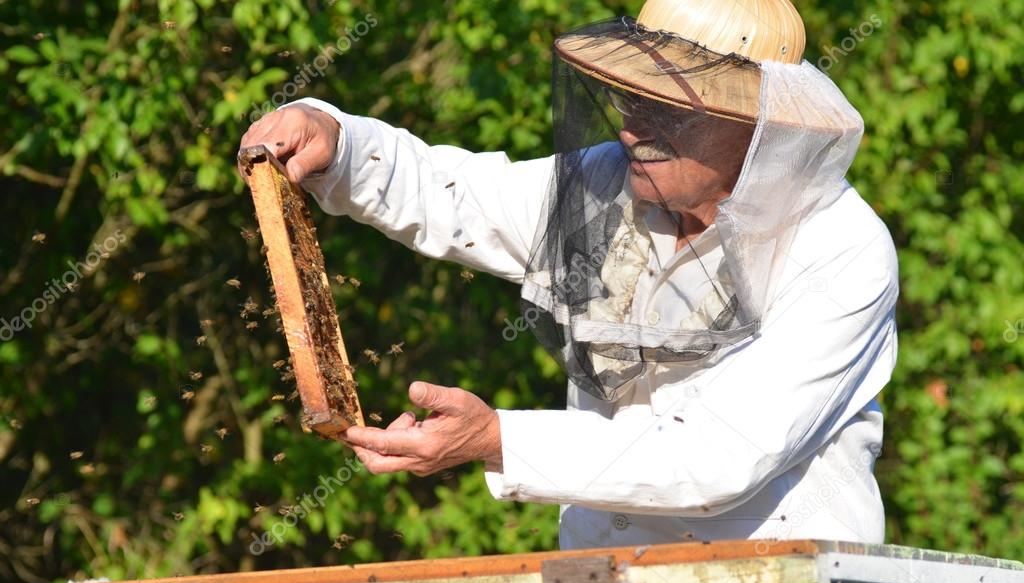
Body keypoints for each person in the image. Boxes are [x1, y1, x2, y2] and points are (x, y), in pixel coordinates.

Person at [238, 0, 899, 549]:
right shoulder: (605, 183)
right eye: (628, 98)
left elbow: (715, 455)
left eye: (668, 107)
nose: (634, 128)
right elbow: (459, 197)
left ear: (755, 124)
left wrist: (498, 439)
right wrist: (340, 141)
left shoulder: (841, 251)